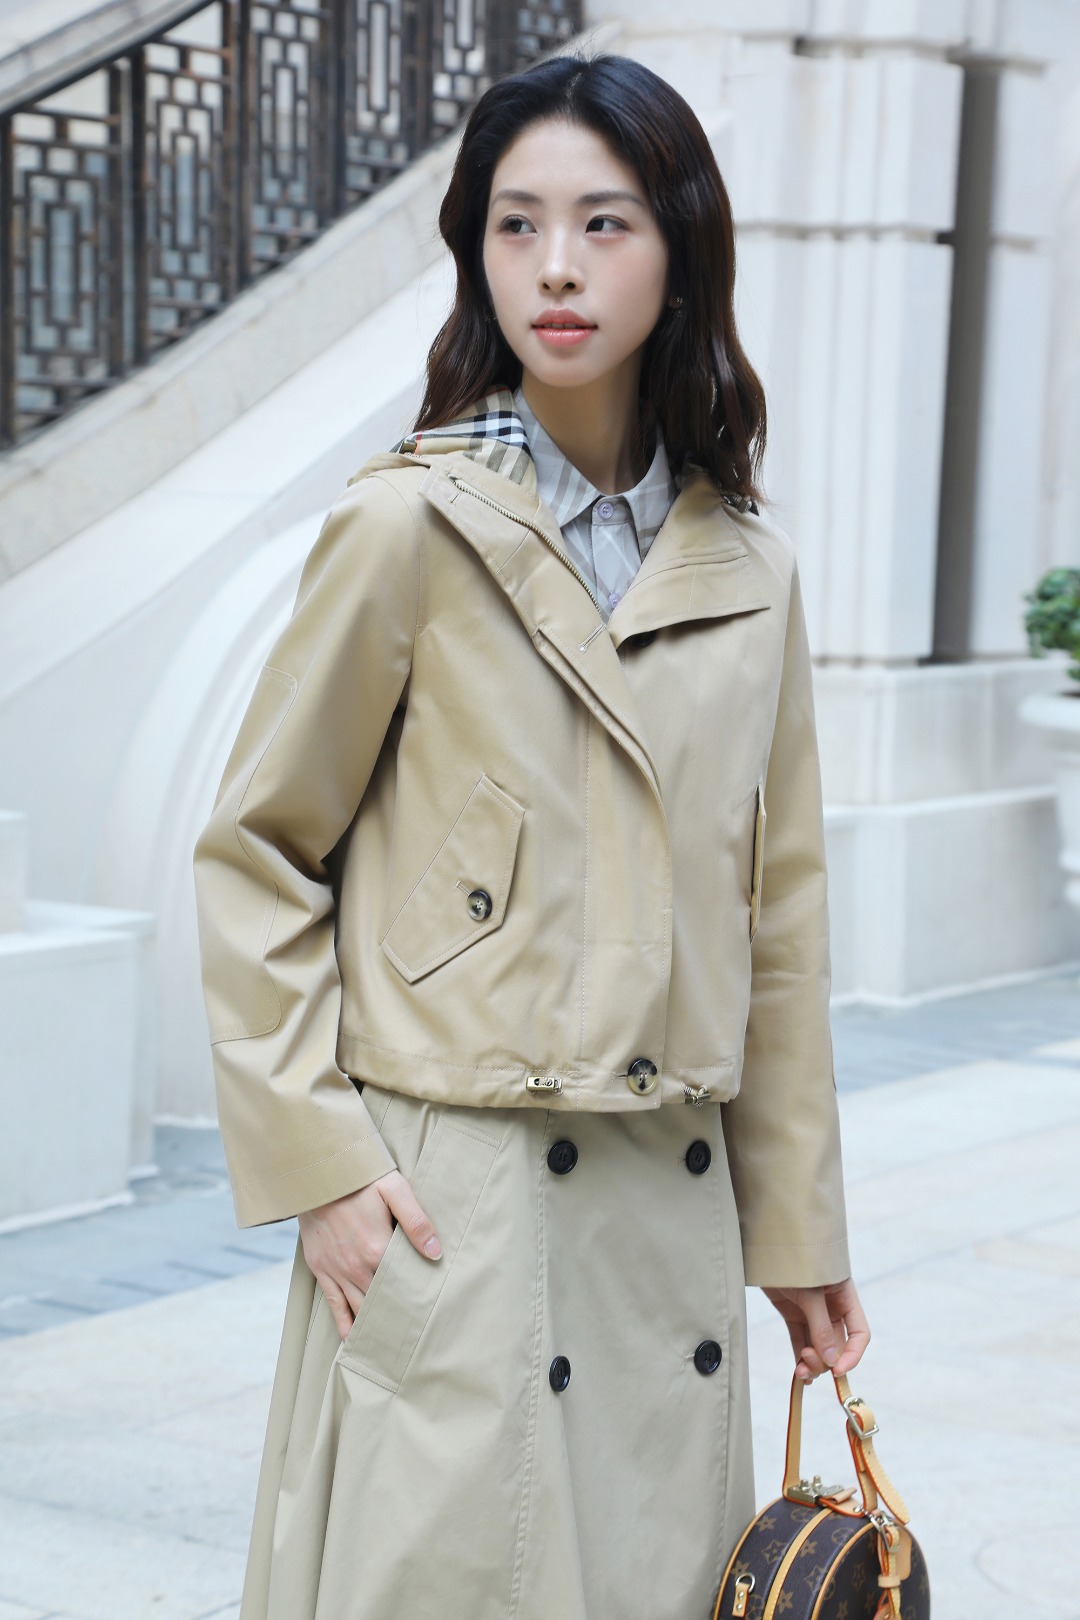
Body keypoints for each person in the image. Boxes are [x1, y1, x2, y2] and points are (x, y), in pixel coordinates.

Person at [192, 50, 869, 1620]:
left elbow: (778, 923)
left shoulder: (748, 570)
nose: (556, 267)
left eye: (605, 223)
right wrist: (325, 1169)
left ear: (680, 252)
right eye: (517, 225)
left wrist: (798, 1228)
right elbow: (258, 853)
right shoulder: (406, 526)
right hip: (462, 1210)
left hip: (667, 1218)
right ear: (478, 254)